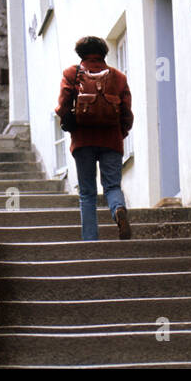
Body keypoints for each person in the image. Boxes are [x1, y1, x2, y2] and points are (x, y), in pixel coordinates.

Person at [55, 36, 134, 241]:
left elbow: (62, 106)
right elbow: (127, 114)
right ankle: (118, 210)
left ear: (80, 54)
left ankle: (90, 239)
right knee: (112, 186)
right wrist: (119, 134)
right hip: (111, 140)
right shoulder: (118, 77)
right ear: (104, 54)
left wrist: (68, 121)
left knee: (87, 193)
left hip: (83, 141)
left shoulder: (72, 74)